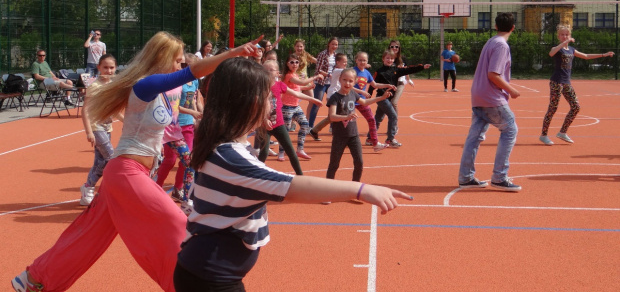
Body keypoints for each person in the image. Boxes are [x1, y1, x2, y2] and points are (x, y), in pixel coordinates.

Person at [11, 32, 261, 292]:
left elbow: (195, 79)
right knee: (176, 223)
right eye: (176, 61)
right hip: (127, 172)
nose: (181, 66)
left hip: (131, 172)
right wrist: (232, 53)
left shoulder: (168, 90)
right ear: (161, 59)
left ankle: (34, 279)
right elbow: (193, 72)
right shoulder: (146, 84)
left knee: (88, 236)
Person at [173, 58, 412, 291]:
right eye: (268, 97)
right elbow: (291, 187)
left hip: (208, 273)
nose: (272, 104)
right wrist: (362, 190)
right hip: (210, 278)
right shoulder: (230, 159)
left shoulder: (223, 146)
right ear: (250, 104)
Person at [458, 12, 521, 191]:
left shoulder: (491, 41)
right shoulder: (501, 45)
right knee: (510, 129)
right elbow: (493, 74)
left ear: (495, 26)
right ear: (513, 28)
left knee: (474, 137)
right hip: (490, 97)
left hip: (478, 94)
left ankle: (465, 176)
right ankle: (499, 177)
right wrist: (511, 90)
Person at [539, 24, 614, 146]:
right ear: (559, 36)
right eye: (562, 35)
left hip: (567, 83)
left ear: (570, 35)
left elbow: (585, 56)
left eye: (567, 34)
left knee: (576, 107)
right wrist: (564, 43)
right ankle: (543, 135)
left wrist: (603, 54)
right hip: (556, 82)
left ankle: (562, 132)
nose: (565, 36)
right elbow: (551, 53)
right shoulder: (558, 48)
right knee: (553, 108)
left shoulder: (572, 50)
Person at [326, 68, 393, 185]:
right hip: (339, 136)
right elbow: (332, 116)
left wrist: (382, 98)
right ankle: (327, 190)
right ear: (339, 80)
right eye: (344, 80)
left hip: (353, 135)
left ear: (355, 81)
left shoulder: (353, 93)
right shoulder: (335, 97)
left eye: (350, 81)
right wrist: (346, 117)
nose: (347, 83)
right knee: (334, 164)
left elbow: (365, 102)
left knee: (359, 163)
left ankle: (355, 187)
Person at [258, 60, 322, 173]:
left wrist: (312, 99)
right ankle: (255, 176)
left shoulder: (279, 85)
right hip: (264, 125)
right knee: (263, 153)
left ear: (278, 73)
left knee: (291, 151)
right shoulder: (259, 87)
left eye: (271, 70)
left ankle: (300, 176)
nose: (267, 72)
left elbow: (296, 93)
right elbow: (256, 106)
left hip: (278, 124)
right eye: (265, 69)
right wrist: (264, 119)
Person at [79, 54, 118, 206]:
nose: (109, 71)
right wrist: (89, 131)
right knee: (111, 157)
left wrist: (127, 120)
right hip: (96, 126)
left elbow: (115, 111)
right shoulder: (94, 86)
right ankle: (108, 190)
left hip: (107, 126)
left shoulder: (113, 85)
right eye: (105, 67)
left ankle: (87, 188)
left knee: (100, 161)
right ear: (99, 68)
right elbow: (85, 110)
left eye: (112, 67)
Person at [370, 50, 430, 148]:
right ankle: (390, 139)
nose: (389, 60)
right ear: (383, 59)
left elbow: (409, 70)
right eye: (387, 58)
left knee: (378, 118)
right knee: (393, 116)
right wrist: (368, 94)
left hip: (389, 98)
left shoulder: (396, 70)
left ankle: (370, 138)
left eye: (392, 58)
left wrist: (422, 67)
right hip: (381, 98)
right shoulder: (379, 71)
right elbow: (373, 85)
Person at [170, 53, 203, 200]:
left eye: (192, 67)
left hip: (188, 123)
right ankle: (156, 186)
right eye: (185, 66)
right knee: (169, 161)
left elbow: (194, 100)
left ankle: (181, 190)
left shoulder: (195, 82)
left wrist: (198, 114)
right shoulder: (177, 82)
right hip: (174, 125)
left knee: (188, 159)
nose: (189, 69)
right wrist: (192, 111)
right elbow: (175, 106)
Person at [281, 53, 324, 160]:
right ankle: (281, 152)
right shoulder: (288, 75)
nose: (294, 64)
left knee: (305, 125)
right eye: (291, 62)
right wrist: (316, 76)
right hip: (287, 107)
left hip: (296, 106)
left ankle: (300, 149)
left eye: (296, 62)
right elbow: (301, 82)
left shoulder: (295, 74)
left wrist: (308, 86)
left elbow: (299, 86)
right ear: (287, 64)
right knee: (285, 131)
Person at [353, 51, 396, 151]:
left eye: (364, 60)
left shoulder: (367, 73)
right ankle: (343, 141)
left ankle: (375, 143)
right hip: (350, 100)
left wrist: (387, 85)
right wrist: (361, 92)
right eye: (360, 60)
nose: (362, 62)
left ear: (367, 61)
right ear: (356, 60)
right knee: (348, 122)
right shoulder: (352, 71)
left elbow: (375, 85)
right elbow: (347, 86)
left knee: (372, 120)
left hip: (361, 101)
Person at [308, 52, 348, 139]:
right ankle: (338, 133)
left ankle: (314, 130)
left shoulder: (338, 71)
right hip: (333, 96)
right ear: (337, 62)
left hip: (337, 95)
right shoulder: (337, 70)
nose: (346, 63)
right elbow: (348, 72)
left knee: (333, 116)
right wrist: (361, 66)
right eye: (344, 62)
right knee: (336, 115)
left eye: (346, 62)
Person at [307, 37, 338, 128]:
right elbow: (318, 69)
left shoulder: (336, 56)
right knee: (317, 104)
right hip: (321, 83)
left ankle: (332, 127)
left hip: (332, 83)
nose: (334, 46)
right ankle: (310, 126)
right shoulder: (322, 54)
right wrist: (328, 75)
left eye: (336, 44)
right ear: (329, 44)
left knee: (333, 104)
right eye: (333, 44)